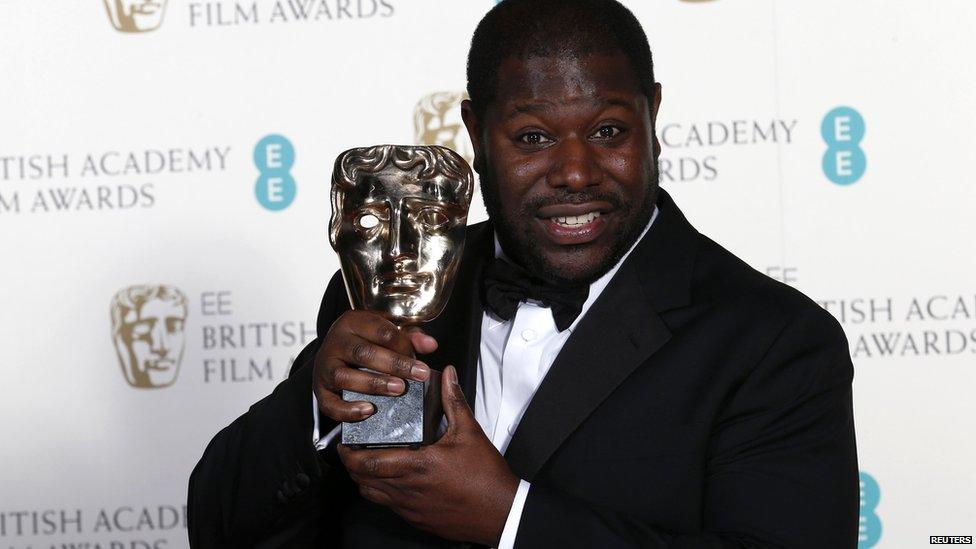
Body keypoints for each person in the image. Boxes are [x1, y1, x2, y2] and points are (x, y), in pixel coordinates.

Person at [188, 0, 859, 547]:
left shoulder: (775, 341)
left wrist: (511, 518)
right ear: (477, 133)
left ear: (652, 116)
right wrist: (316, 401)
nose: (575, 172)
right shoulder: (389, 292)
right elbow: (218, 525)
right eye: (533, 137)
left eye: (608, 131)